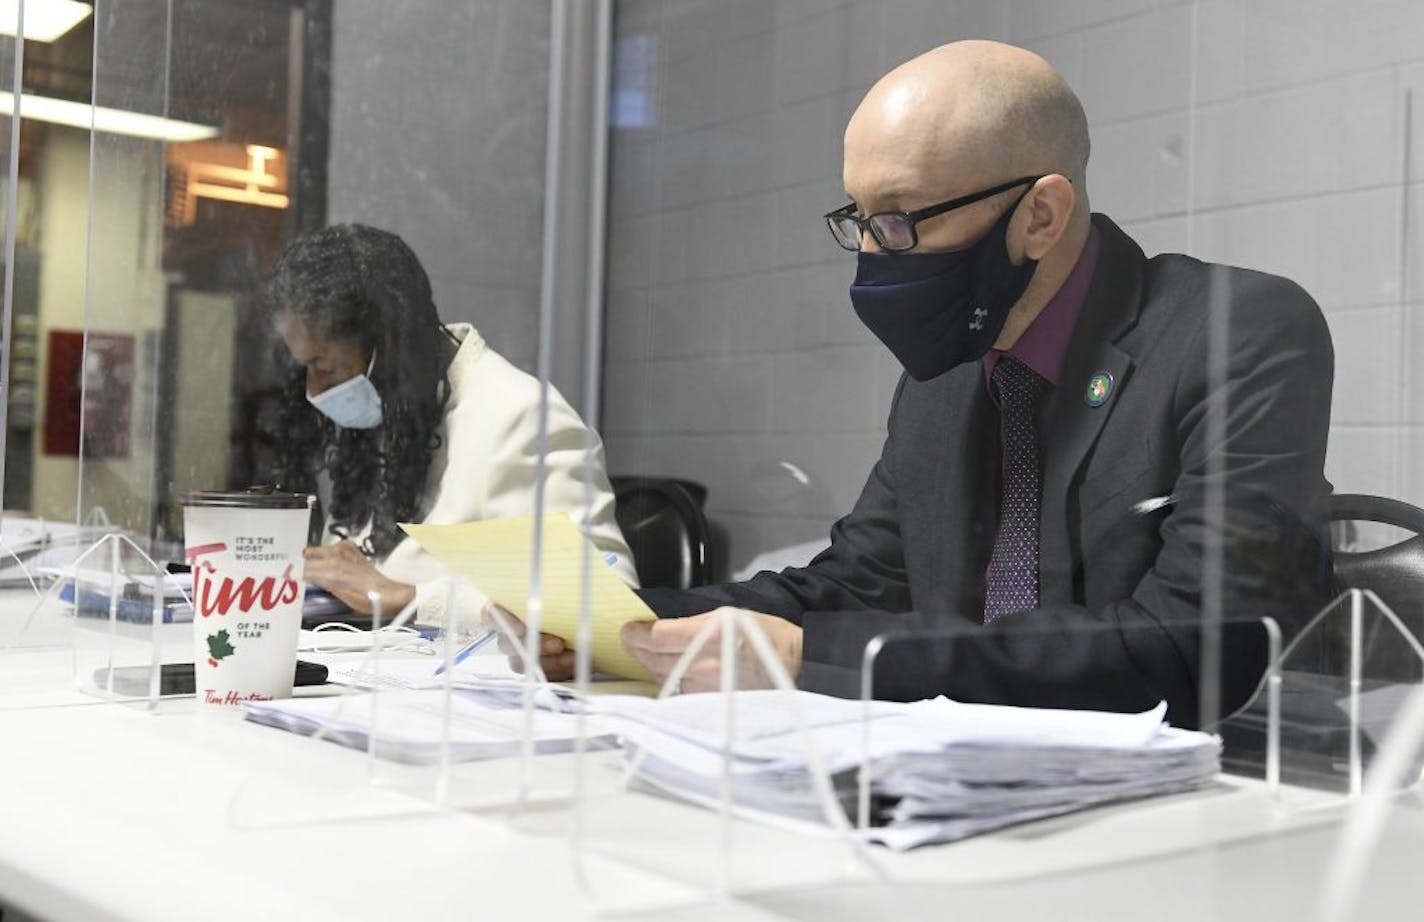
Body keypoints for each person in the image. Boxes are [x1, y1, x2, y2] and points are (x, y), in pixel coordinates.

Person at [506, 41, 1337, 729]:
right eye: (860, 221)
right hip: (955, 782)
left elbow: (1197, 643)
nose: (875, 254)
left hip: (1205, 804)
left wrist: (819, 657)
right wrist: (623, 625)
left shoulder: (1237, 331)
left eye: (902, 218)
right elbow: (853, 582)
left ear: (1041, 216)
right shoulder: (947, 380)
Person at [265, 223, 636, 625]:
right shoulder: (393, 409)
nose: (315, 391)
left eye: (327, 367)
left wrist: (409, 599)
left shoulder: (521, 418)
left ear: (387, 344)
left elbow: (606, 601)